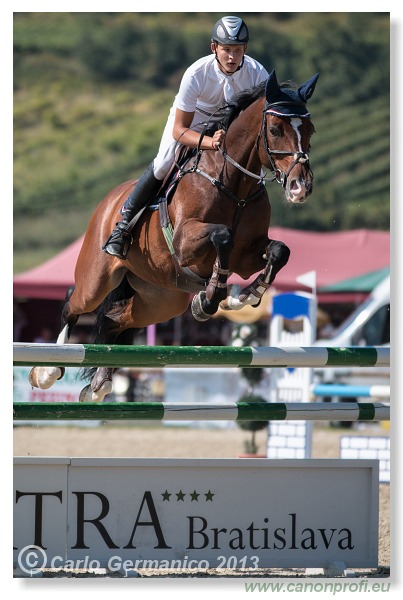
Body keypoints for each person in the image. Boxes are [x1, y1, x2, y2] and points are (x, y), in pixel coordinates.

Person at [102, 16, 269, 259]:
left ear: (246, 49)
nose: (232, 57)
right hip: (193, 122)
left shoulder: (257, 73)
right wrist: (210, 142)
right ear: (214, 48)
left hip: (229, 127)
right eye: (226, 50)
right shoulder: (196, 73)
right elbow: (179, 130)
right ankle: (123, 226)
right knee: (163, 162)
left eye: (238, 50)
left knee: (255, 173)